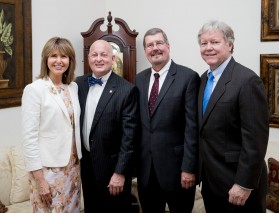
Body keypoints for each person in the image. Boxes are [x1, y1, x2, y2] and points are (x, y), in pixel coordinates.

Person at [197, 20, 269, 213]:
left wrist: (243, 184)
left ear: (229, 44)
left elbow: (255, 141)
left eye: (214, 42)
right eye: (204, 43)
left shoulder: (247, 81)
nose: (208, 48)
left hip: (237, 183)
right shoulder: (203, 79)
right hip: (211, 182)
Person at [135, 28, 200, 213]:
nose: (155, 48)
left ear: (168, 46)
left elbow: (192, 128)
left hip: (178, 172)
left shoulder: (188, 78)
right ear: (145, 51)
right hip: (146, 171)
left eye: (159, 43)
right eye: (149, 45)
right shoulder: (139, 80)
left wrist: (188, 168)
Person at [75, 40, 139, 213]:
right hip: (86, 167)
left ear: (113, 58)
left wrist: (120, 173)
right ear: (88, 58)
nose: (99, 59)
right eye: (94, 55)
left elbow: (129, 138)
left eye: (104, 55)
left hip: (112, 172)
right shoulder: (78, 85)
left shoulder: (127, 90)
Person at [22, 37, 82, 213]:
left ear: (70, 61)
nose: (58, 61)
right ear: (45, 60)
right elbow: (29, 139)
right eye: (53, 56)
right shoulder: (34, 90)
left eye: (64, 56)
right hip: (47, 171)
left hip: (72, 168)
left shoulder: (73, 88)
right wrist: (41, 181)